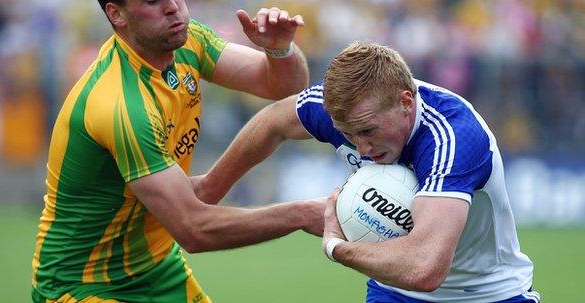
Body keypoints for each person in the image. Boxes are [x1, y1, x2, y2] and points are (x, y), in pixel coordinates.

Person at [30, 0, 325, 302]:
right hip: (82, 285)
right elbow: (194, 229)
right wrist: (301, 213)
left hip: (157, 267)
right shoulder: (121, 105)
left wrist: (280, 51)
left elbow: (282, 88)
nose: (173, 7)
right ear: (116, 14)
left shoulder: (187, 41)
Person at [197, 42, 540, 302]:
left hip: (486, 294)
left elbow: (424, 268)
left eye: (368, 131)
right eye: (347, 134)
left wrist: (336, 246)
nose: (360, 148)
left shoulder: (453, 138)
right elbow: (275, 121)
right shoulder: (348, 110)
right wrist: (212, 188)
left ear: (407, 102)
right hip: (395, 292)